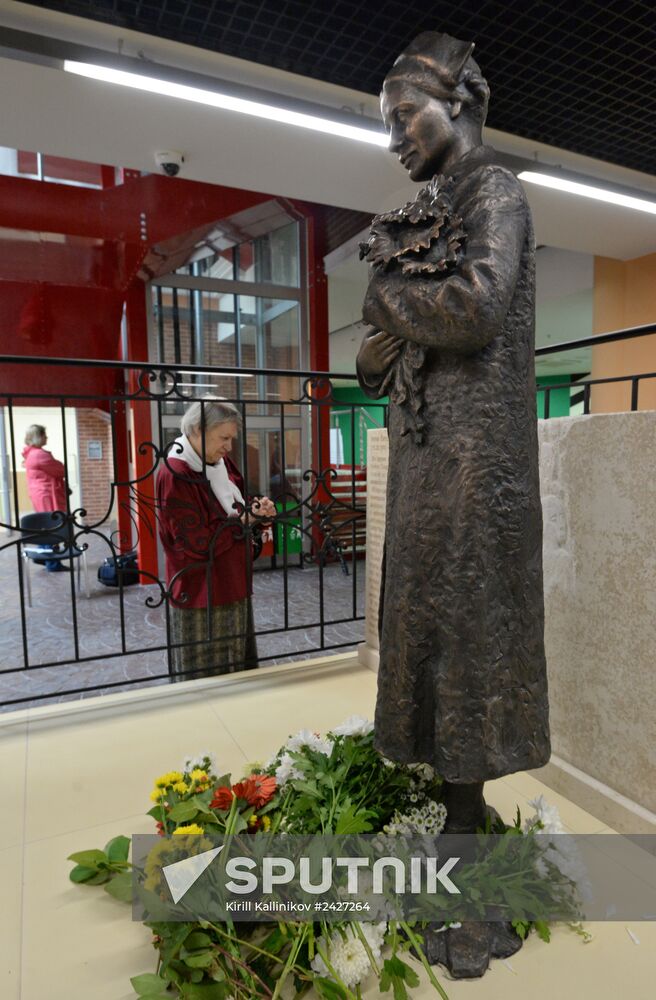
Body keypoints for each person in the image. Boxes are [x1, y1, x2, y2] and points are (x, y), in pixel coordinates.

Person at [357, 32, 550, 835]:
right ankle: (451, 811)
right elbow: (381, 363)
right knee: (429, 631)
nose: (395, 137)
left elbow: (472, 310)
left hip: (477, 470)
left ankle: (467, 839)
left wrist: (380, 299)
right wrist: (379, 344)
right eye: (387, 123)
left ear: (459, 102)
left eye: (406, 116)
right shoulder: (437, 203)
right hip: (429, 463)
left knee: (467, 639)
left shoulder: (493, 190)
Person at [156, 400, 276, 680]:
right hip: (200, 589)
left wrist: (256, 514)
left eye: (231, 438)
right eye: (224, 438)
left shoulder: (221, 462)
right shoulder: (177, 473)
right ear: (197, 430)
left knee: (236, 667)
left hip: (231, 580)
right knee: (205, 675)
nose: (229, 446)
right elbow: (194, 543)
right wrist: (245, 521)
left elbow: (236, 508)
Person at [22, 424, 69, 572]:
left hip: (40, 493)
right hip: (48, 494)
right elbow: (60, 469)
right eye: (44, 435)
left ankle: (43, 556)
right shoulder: (39, 455)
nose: (46, 437)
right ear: (38, 436)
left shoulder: (31, 453)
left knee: (44, 525)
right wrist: (61, 466)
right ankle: (52, 562)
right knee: (52, 526)